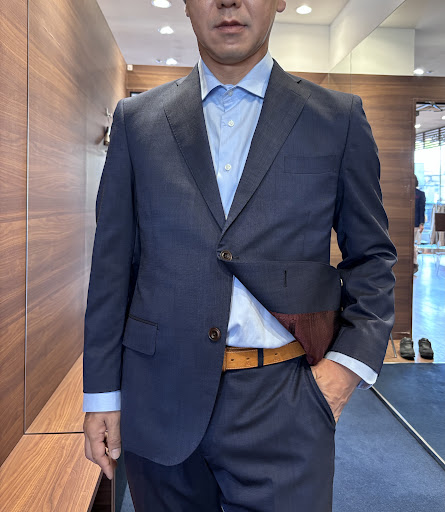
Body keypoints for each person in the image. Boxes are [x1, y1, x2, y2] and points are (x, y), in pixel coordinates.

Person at [82, 1, 397, 510]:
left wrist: (341, 375)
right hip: (158, 399)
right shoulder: (137, 122)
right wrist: (101, 394)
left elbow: (372, 259)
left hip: (286, 402)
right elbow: (111, 268)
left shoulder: (337, 119)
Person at [413, 174, 426, 273]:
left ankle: (414, 263)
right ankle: (414, 263)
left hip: (416, 223)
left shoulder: (420, 194)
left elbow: (422, 210)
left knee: (412, 244)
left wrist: (422, 223)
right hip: (406, 223)